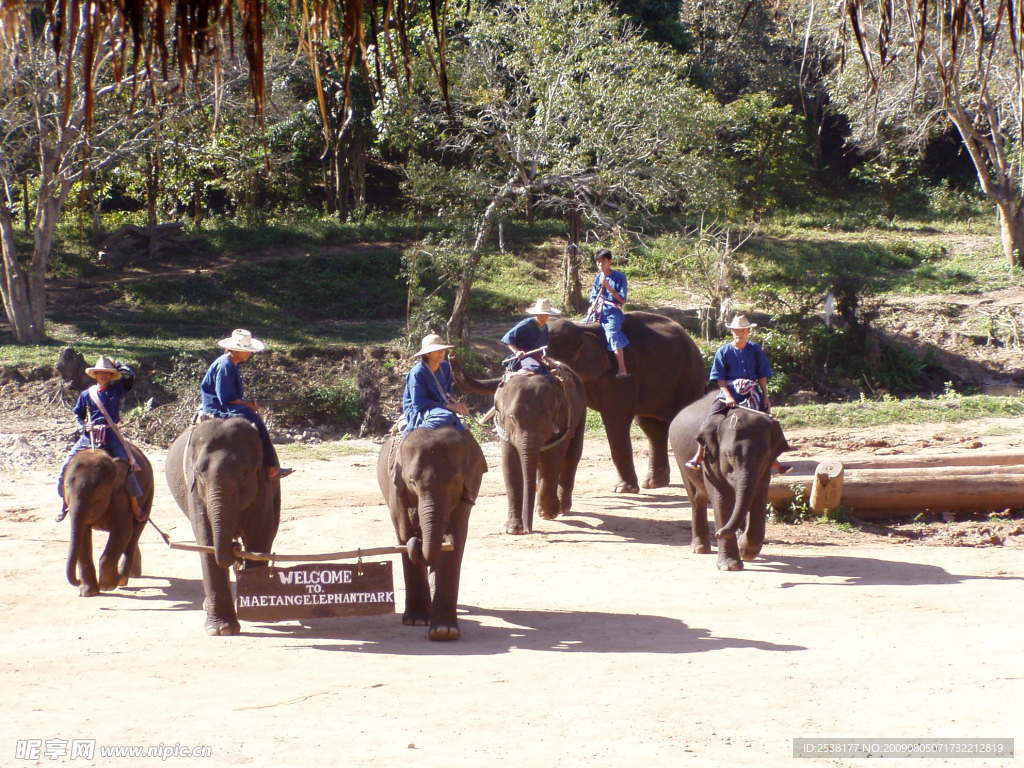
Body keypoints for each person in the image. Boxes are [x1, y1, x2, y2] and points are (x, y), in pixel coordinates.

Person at [685, 314, 789, 474]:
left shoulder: (755, 350)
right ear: (732, 331)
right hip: (730, 391)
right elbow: (720, 378)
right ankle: (698, 456)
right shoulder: (723, 351)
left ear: (748, 331)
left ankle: (773, 460)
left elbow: (762, 375)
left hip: (752, 391)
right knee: (709, 422)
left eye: (743, 330)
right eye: (736, 330)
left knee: (769, 423)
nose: (740, 333)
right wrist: (728, 396)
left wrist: (765, 396)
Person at [56, 356, 145, 523]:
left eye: (107, 373)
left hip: (111, 435)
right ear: (95, 375)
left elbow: (130, 375)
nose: (103, 376)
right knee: (66, 465)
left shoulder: (117, 390)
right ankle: (64, 502)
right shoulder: (86, 395)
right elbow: (78, 415)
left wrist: (116, 364)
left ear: (111, 376)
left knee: (127, 467)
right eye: (100, 373)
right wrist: (84, 426)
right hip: (88, 437)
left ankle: (134, 505)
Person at [200, 329, 291, 480]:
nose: (250, 353)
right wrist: (249, 406)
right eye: (246, 350)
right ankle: (271, 467)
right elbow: (226, 398)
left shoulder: (230, 364)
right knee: (255, 420)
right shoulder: (225, 366)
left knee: (251, 415)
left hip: (223, 405)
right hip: (218, 408)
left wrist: (246, 404)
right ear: (236, 351)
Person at [401, 333, 469, 432]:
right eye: (438, 350)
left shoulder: (445, 367)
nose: (442, 352)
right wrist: (448, 407)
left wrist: (457, 405)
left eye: (443, 350)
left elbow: (447, 394)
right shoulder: (418, 372)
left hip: (441, 409)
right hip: (422, 411)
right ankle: (413, 433)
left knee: (461, 430)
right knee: (446, 417)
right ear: (427, 353)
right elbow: (419, 404)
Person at [586, 248, 630, 378]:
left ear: (609, 261)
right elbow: (594, 296)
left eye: (603, 262)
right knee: (583, 326)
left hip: (612, 311)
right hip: (599, 310)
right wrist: (591, 307)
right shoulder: (598, 277)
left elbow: (622, 299)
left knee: (612, 333)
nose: (600, 265)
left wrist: (609, 288)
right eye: (598, 262)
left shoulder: (619, 277)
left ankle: (622, 369)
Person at [501, 298, 561, 374]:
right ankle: (515, 375)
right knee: (535, 368)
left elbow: (542, 348)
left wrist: (546, 358)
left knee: (554, 369)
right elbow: (508, 338)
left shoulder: (545, 327)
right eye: (541, 315)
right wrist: (517, 352)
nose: (544, 317)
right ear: (537, 314)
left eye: (546, 315)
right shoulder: (526, 324)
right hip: (524, 357)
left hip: (537, 357)